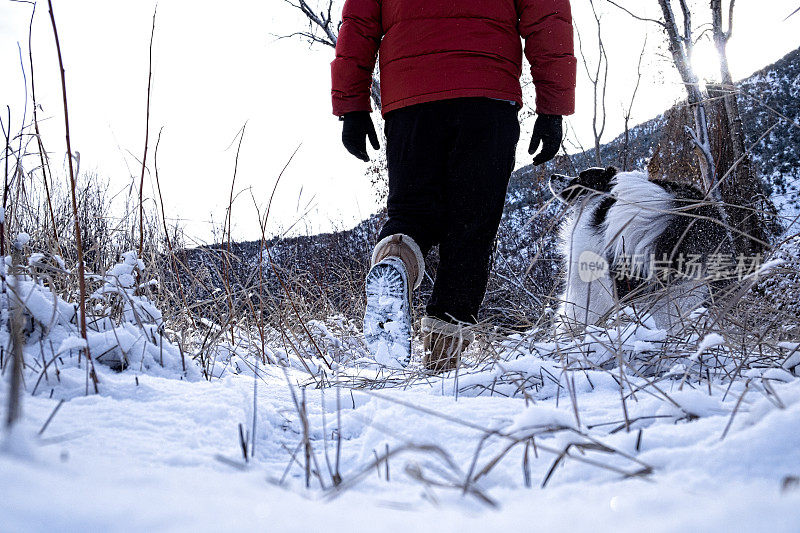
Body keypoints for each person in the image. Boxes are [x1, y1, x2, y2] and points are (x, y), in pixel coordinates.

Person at [331, 0, 576, 372]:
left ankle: (395, 260)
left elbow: (359, 20)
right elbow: (548, 14)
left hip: (411, 99)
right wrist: (552, 106)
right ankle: (441, 365)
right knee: (471, 231)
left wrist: (352, 105)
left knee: (411, 214)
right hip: (487, 94)